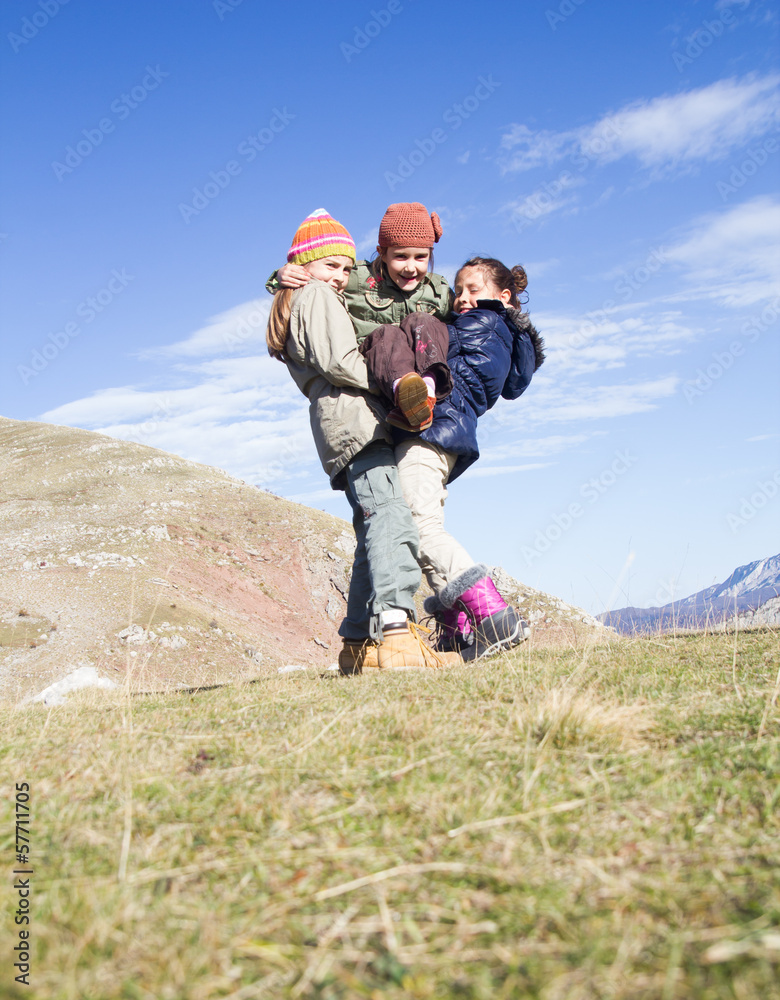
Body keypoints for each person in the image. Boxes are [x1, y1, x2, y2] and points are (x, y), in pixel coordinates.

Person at [265, 208, 459, 673]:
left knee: (373, 529)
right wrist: (395, 383)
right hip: (353, 421)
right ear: (305, 266)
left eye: (347, 268)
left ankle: (357, 645)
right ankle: (395, 636)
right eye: (331, 264)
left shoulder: (309, 293)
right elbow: (339, 361)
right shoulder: (313, 294)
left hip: (349, 422)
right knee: (393, 518)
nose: (341, 276)